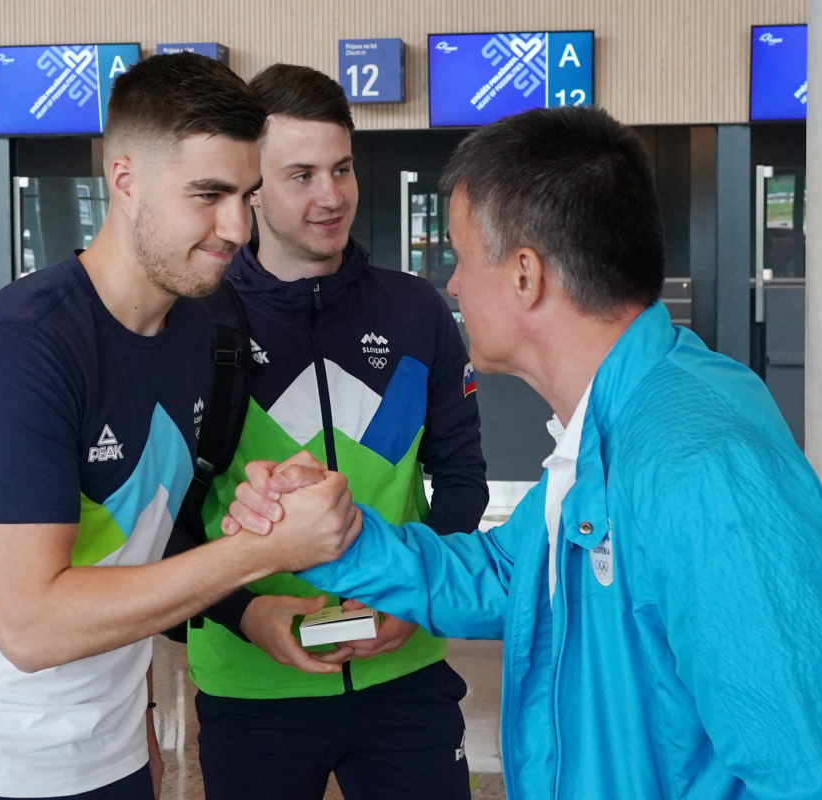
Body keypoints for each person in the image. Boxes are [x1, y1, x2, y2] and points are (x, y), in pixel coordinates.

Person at [225, 106, 822, 799]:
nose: (453, 285)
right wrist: (334, 533)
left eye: (462, 256)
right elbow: (506, 575)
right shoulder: (620, 422)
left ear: (525, 275)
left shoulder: (702, 466)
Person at [0, 53, 360, 800]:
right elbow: (31, 626)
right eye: (208, 194)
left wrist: (144, 722)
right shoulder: (19, 349)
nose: (235, 227)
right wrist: (261, 553)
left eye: (246, 195)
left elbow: (142, 542)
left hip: (109, 758)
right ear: (124, 180)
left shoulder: (200, 331)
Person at [182, 64, 488, 800]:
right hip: (251, 685)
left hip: (403, 675)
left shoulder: (415, 311)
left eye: (342, 169)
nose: (332, 195)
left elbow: (462, 478)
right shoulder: (195, 324)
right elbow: (170, 520)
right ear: (252, 188)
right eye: (302, 175)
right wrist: (247, 615)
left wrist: (416, 592)